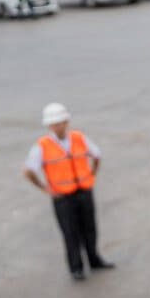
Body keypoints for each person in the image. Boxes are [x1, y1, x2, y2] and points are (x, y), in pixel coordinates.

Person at [22, 102, 115, 281]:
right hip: (63, 197)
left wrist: (92, 174)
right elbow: (28, 171)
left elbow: (96, 155)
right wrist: (45, 188)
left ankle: (94, 260)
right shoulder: (42, 145)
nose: (58, 127)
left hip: (84, 191)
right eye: (54, 124)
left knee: (90, 229)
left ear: (67, 122)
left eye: (61, 122)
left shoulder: (79, 138)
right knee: (70, 233)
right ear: (49, 126)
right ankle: (76, 268)